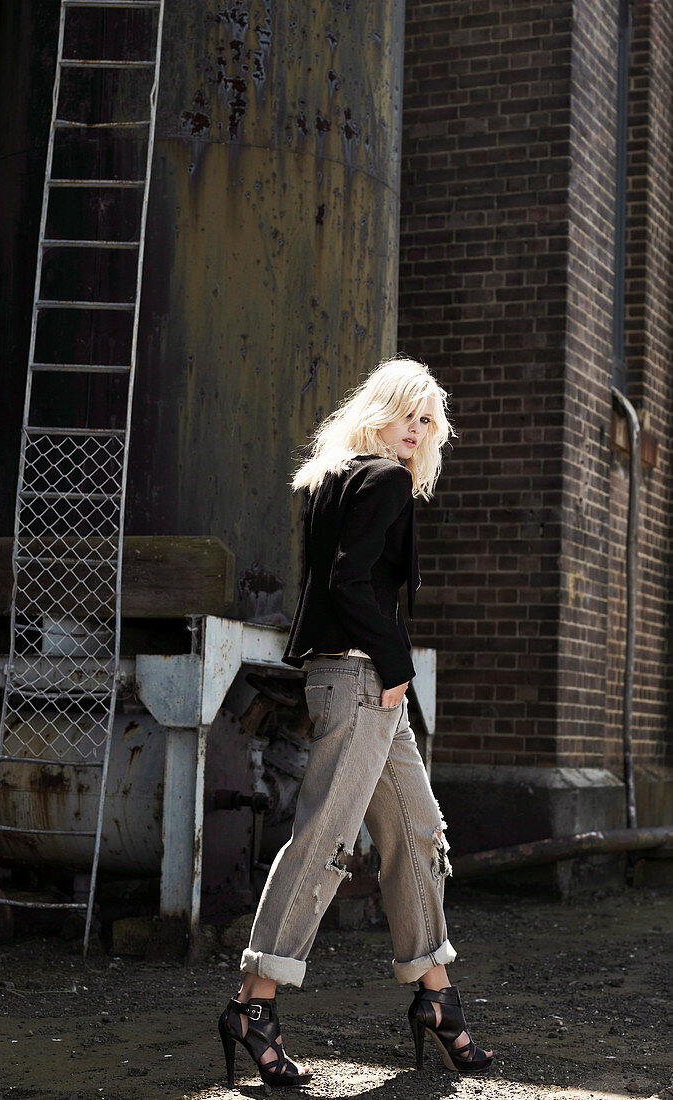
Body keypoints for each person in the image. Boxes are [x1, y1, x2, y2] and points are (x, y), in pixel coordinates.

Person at [217, 357, 493, 1088]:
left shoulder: (332, 479)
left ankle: (436, 1001)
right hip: (363, 676)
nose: (417, 430)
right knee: (325, 839)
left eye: (427, 420)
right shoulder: (383, 480)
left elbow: (337, 576)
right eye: (408, 412)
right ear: (379, 409)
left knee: (418, 830)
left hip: (355, 678)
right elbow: (346, 581)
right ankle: (255, 1001)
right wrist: (397, 664)